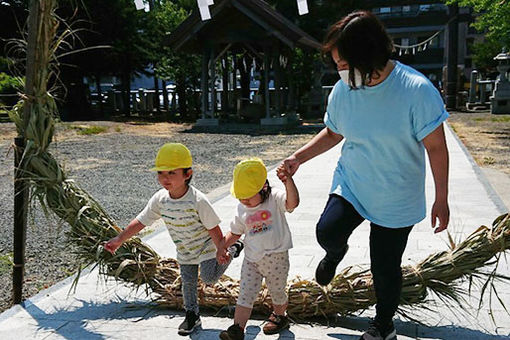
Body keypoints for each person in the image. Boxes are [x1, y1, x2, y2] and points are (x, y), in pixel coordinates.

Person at [281, 11, 450, 340]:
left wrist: (441, 199)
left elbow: (437, 149)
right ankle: (335, 253)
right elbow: (333, 133)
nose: (339, 71)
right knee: (327, 232)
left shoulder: (416, 90)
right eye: (337, 65)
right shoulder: (345, 91)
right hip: (355, 183)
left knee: (384, 268)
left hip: (396, 195)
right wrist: (297, 158)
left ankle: (383, 326)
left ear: (367, 55)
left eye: (344, 64)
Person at [104, 143, 243, 336]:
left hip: (206, 246)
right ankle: (192, 315)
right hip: (185, 250)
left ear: (187, 174)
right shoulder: (160, 199)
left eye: (171, 173)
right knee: (188, 283)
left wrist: (222, 249)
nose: (165, 178)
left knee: (209, 278)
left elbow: (213, 228)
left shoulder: (198, 200)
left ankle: (234, 248)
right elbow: (141, 221)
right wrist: (120, 239)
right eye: (161, 173)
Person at [218, 158, 299, 340]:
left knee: (277, 292)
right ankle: (237, 329)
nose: (244, 200)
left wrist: (288, 181)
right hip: (252, 260)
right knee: (245, 294)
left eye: (248, 195)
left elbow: (292, 204)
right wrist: (221, 246)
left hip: (276, 258)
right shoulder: (242, 208)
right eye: (241, 196)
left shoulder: (275, 198)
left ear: (263, 187)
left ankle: (280, 316)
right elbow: (235, 232)